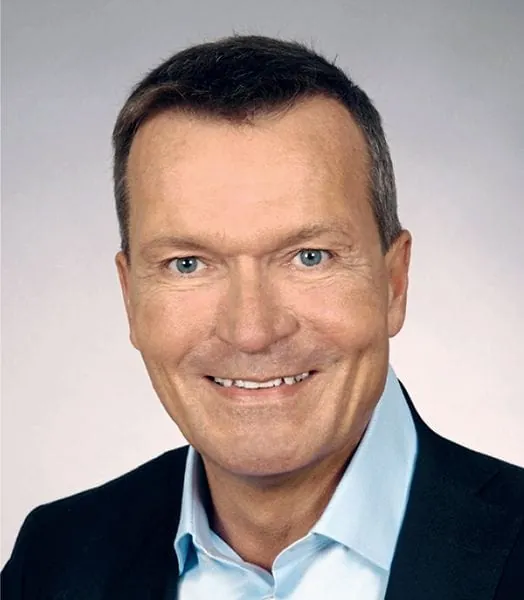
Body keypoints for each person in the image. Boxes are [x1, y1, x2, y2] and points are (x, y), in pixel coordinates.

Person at [2, 34, 523, 600]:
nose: (251, 331)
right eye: (187, 264)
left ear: (394, 282)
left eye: (309, 257)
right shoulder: (52, 562)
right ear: (130, 297)